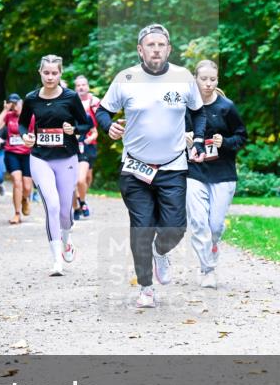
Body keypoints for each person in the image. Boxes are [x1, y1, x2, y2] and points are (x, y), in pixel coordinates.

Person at [95, 24, 207, 308]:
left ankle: (161, 250)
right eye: (150, 45)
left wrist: (200, 140)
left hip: (172, 166)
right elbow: (103, 111)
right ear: (140, 50)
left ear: (169, 49)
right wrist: (109, 126)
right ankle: (146, 287)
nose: (155, 49)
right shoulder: (126, 78)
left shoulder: (183, 77)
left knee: (176, 228)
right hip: (135, 168)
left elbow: (199, 113)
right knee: (141, 227)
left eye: (161, 44)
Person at [20, 55, 93, 276]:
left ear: (60, 74)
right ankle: (56, 262)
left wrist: (74, 129)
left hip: (67, 158)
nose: (50, 77)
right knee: (51, 206)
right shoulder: (31, 98)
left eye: (54, 73)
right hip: (40, 157)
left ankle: (67, 240)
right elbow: (23, 123)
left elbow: (86, 123)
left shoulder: (70, 97)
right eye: (46, 72)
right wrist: (26, 136)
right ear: (40, 73)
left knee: (64, 212)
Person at [184, 60, 247, 288]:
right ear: (195, 79)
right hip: (194, 172)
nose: (208, 84)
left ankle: (213, 247)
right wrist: (184, 138)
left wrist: (225, 142)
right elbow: (170, 134)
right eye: (204, 79)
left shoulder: (226, 107)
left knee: (215, 225)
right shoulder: (186, 107)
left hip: (222, 173)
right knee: (199, 222)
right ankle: (207, 269)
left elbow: (241, 137)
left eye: (213, 79)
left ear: (217, 80)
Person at [3, 94, 34, 224]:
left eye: (16, 104)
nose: (14, 107)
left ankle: (24, 199)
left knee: (27, 187)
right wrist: (5, 110)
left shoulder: (31, 117)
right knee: (17, 181)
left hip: (27, 154)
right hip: (11, 153)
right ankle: (16, 213)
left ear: (22, 104)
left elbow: (36, 132)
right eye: (12, 104)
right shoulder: (8, 116)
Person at [74, 75, 101, 220]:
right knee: (79, 178)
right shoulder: (72, 102)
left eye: (83, 85)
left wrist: (91, 137)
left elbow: (102, 117)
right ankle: (80, 201)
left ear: (88, 86)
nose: (81, 87)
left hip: (90, 143)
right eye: (78, 85)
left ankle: (81, 196)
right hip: (75, 145)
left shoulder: (94, 101)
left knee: (88, 176)